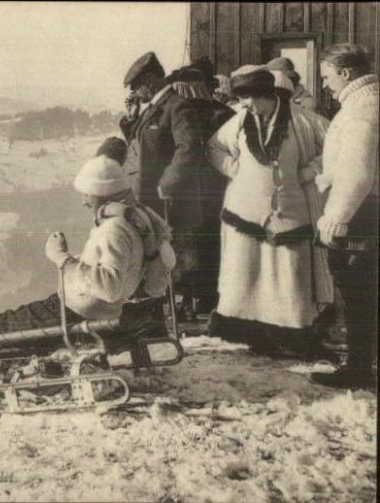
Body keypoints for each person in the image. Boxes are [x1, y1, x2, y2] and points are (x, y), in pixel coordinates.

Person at [0, 143, 176, 338]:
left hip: (75, 312)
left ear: (101, 192)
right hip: (83, 308)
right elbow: (152, 264)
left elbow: (110, 288)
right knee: (6, 320)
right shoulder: (140, 218)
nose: (83, 202)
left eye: (86, 194)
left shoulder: (114, 229)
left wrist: (62, 258)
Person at [206, 68, 334, 357]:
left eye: (249, 98)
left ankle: (290, 337)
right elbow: (214, 147)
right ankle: (247, 333)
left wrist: (310, 170)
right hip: (244, 211)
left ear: (267, 95)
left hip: (290, 210)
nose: (245, 104)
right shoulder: (240, 120)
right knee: (245, 273)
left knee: (288, 273)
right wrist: (232, 168)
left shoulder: (303, 119)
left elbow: (337, 146)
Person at [309, 44, 378, 389]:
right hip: (366, 206)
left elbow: (358, 173)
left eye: (326, 77)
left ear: (346, 74)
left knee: (358, 293)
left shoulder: (360, 109)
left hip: (361, 212)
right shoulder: (366, 101)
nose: (325, 85)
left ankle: (360, 368)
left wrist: (336, 217)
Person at [119, 51, 205, 317]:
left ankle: (183, 312)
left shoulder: (177, 106)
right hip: (151, 200)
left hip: (172, 200)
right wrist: (131, 118)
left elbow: (189, 148)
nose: (134, 91)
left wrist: (168, 182)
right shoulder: (154, 110)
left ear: (152, 81)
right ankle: (164, 310)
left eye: (137, 85)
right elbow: (142, 146)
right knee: (160, 257)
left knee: (178, 258)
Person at [169, 66, 237, 318]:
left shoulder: (178, 113)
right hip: (219, 188)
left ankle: (188, 298)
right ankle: (210, 297)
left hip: (188, 190)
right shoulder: (226, 113)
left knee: (188, 243)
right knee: (214, 242)